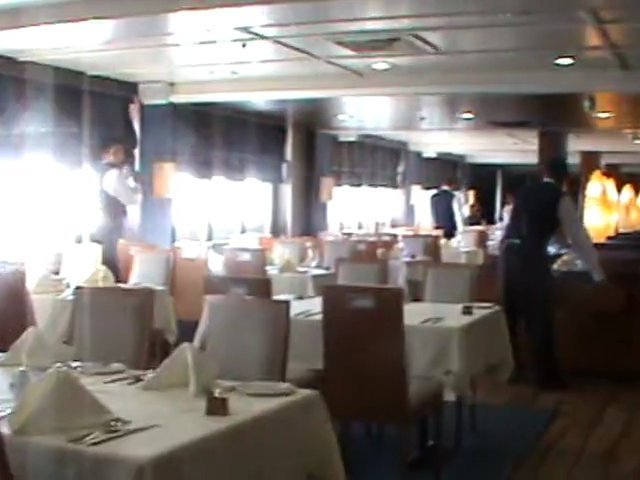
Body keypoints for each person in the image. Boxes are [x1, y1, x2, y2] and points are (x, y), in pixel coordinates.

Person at [501, 157, 604, 389]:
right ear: (565, 177)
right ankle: (545, 378)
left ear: (544, 172)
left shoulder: (524, 193)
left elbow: (520, 227)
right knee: (539, 318)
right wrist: (597, 273)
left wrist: (555, 246)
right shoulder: (559, 197)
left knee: (512, 316)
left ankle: (514, 371)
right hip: (531, 259)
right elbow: (578, 237)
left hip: (508, 256)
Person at [94, 140, 142, 281]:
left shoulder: (112, 173)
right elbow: (129, 198)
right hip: (110, 223)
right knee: (110, 261)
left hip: (109, 222)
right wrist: (139, 190)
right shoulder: (113, 175)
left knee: (111, 259)